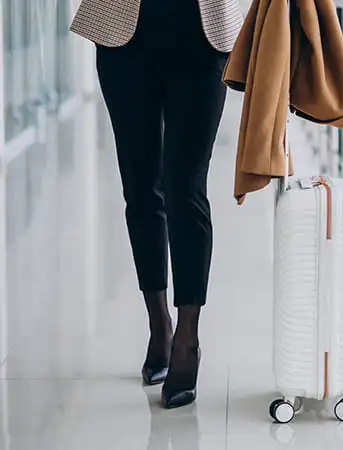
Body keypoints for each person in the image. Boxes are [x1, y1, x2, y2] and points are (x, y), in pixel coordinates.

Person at [69, 0, 243, 409]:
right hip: (124, 34)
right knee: (141, 186)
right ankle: (158, 322)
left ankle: (188, 336)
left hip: (203, 33)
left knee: (186, 185)